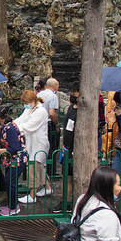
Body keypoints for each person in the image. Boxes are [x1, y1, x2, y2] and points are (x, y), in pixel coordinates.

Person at [0, 105, 28, 216]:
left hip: (17, 159)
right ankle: (12, 204)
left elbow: (14, 148)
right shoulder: (3, 126)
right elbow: (2, 140)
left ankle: (13, 207)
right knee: (9, 182)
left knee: (10, 182)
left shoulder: (10, 128)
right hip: (10, 159)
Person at [15, 90, 51, 205]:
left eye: (26, 102)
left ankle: (32, 195)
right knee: (40, 168)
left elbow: (30, 126)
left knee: (33, 167)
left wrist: (15, 130)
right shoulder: (29, 109)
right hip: (31, 142)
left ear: (33, 101)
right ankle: (48, 188)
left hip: (38, 143)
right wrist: (12, 125)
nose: (25, 104)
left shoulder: (41, 111)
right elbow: (21, 120)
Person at [53, 84, 79, 213]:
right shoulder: (71, 108)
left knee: (74, 177)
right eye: (72, 94)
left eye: (75, 94)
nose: (73, 96)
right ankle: (65, 201)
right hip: (67, 148)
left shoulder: (83, 112)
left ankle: (72, 202)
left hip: (76, 149)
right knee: (66, 176)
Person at [37, 78, 60, 169]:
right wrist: (56, 123)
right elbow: (52, 113)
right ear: (54, 86)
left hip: (40, 123)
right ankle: (51, 170)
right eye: (58, 85)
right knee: (51, 146)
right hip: (49, 124)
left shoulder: (40, 94)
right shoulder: (53, 96)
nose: (58, 87)